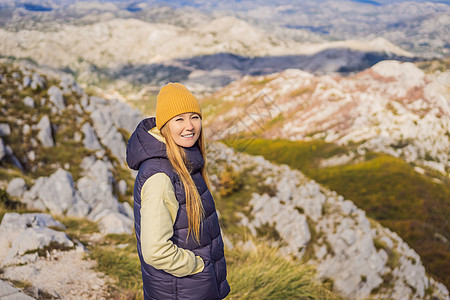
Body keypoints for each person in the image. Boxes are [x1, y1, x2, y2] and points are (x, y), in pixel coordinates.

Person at [126, 82, 230, 300]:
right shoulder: (161, 176)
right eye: (179, 119)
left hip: (191, 289)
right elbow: (155, 251)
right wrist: (198, 266)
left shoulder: (184, 162)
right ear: (165, 125)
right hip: (182, 289)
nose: (189, 126)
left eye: (195, 116)